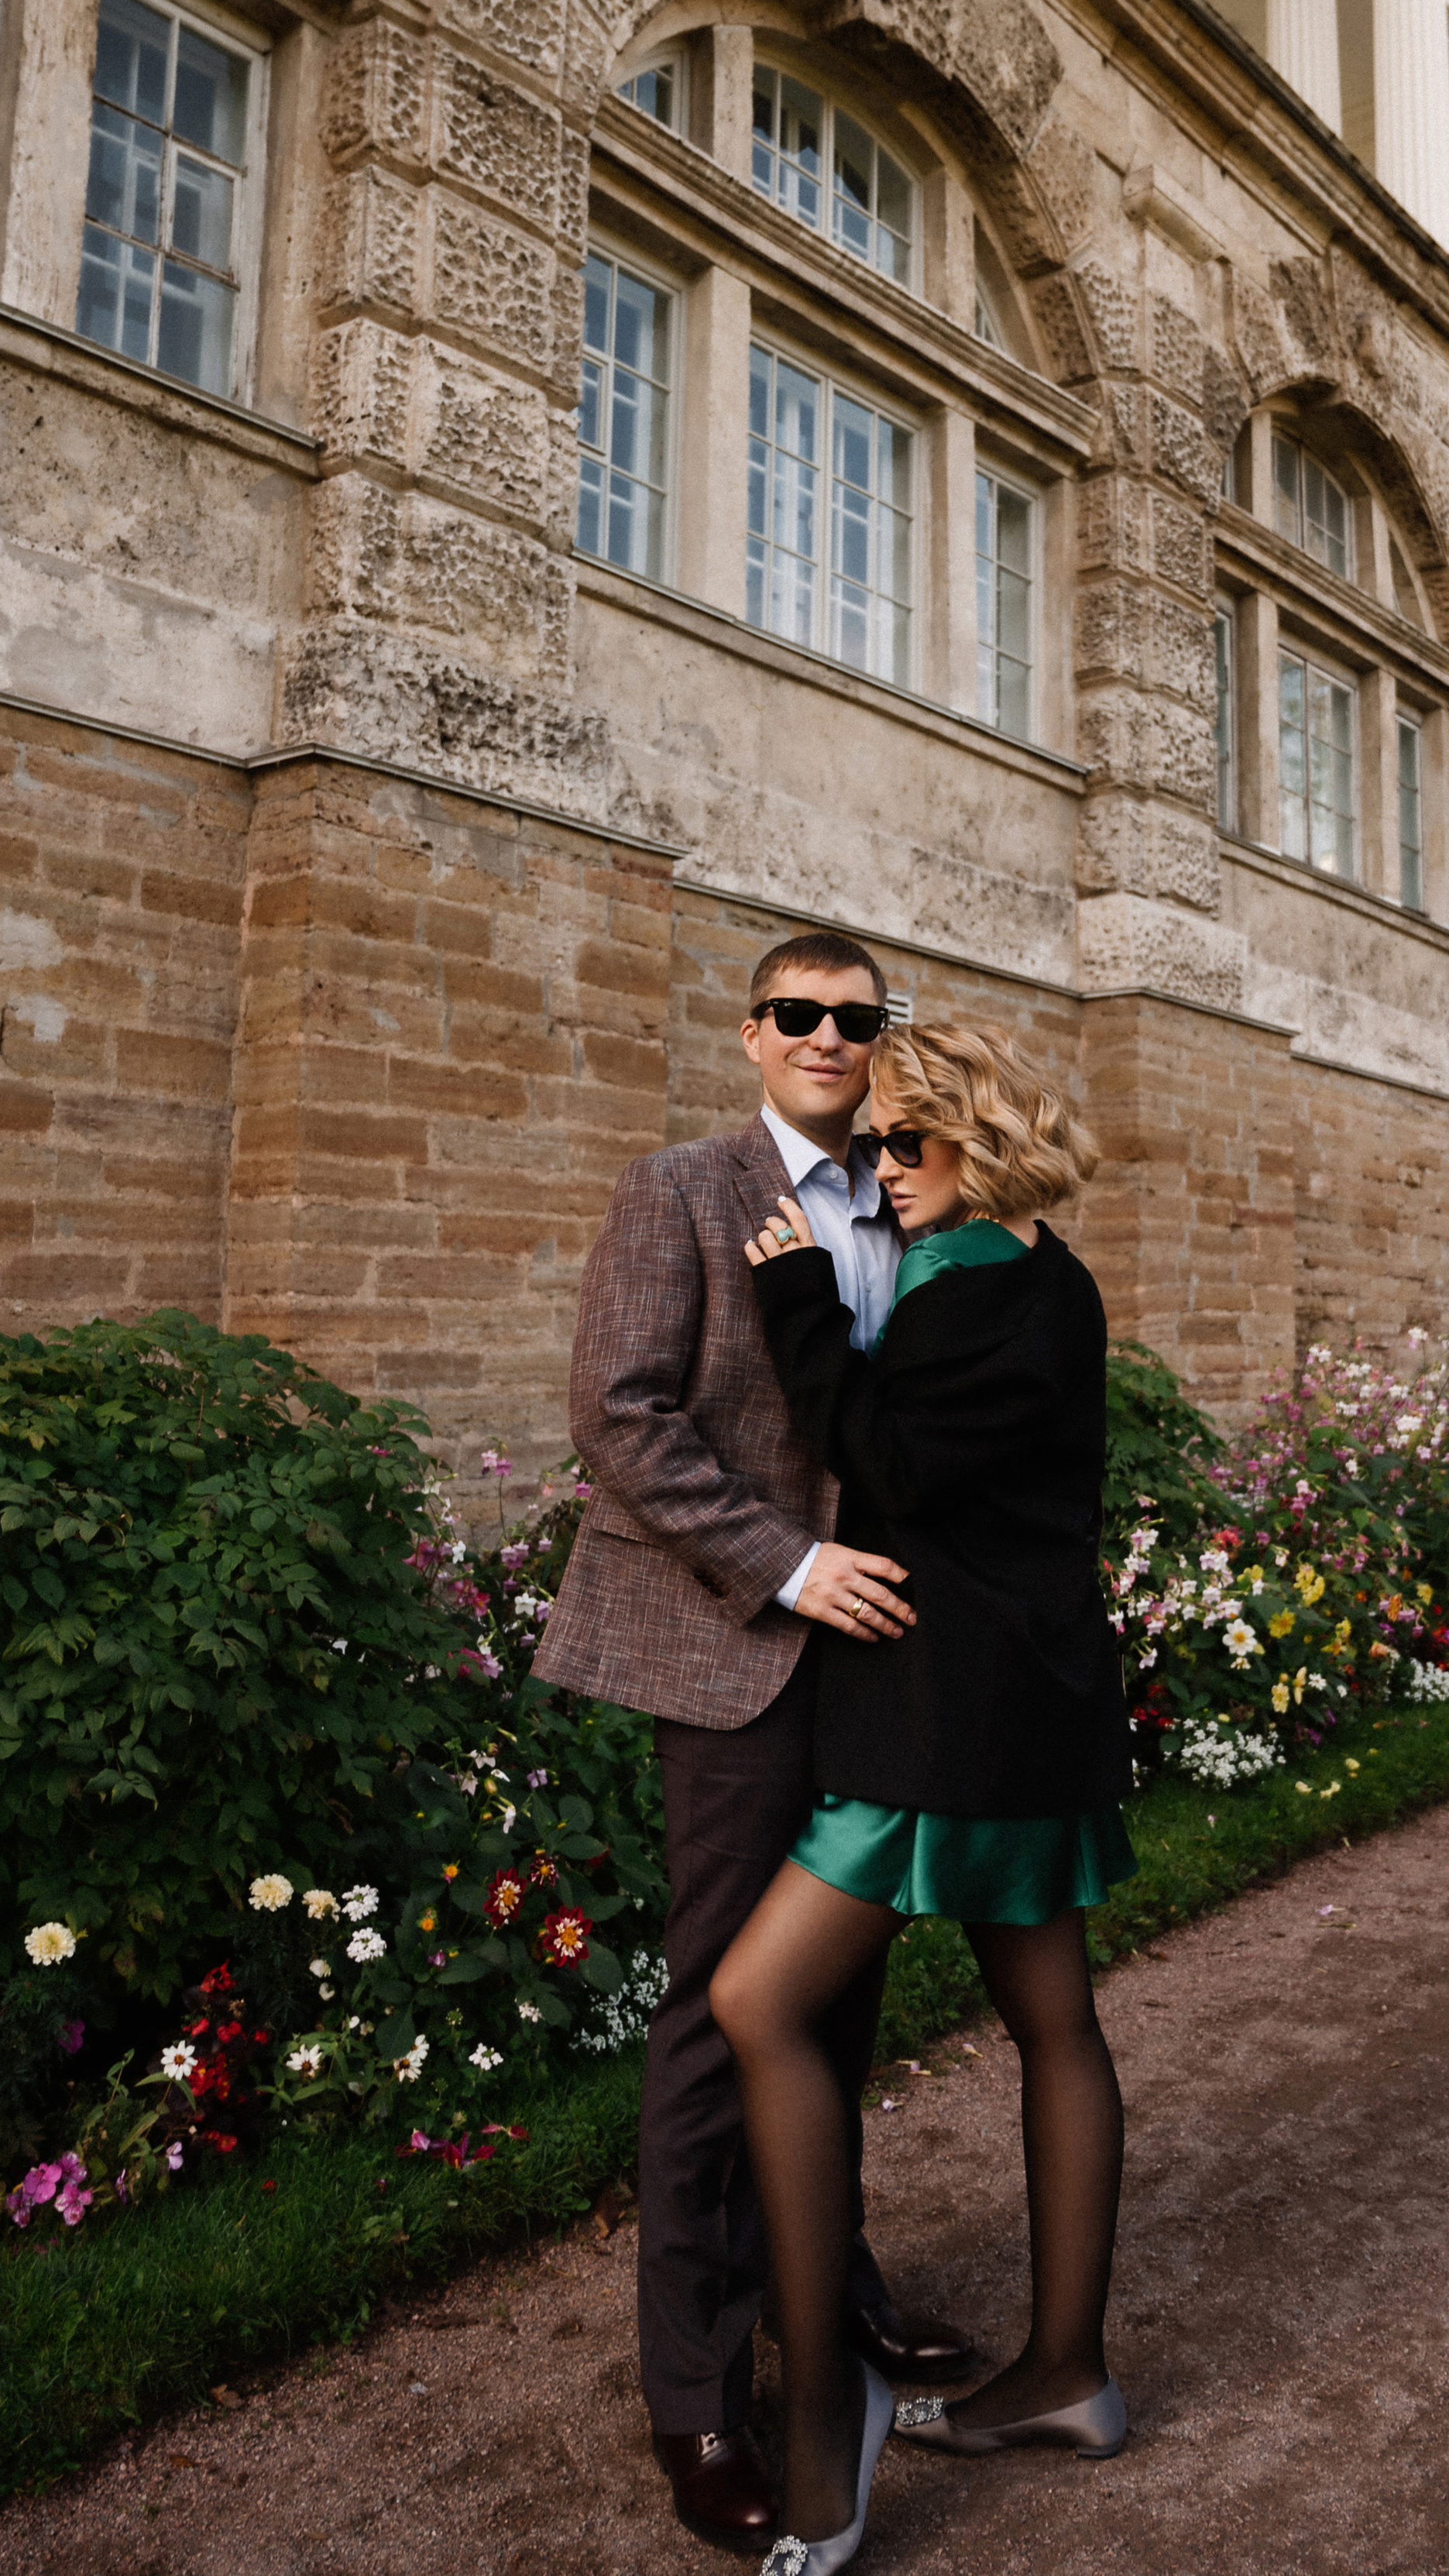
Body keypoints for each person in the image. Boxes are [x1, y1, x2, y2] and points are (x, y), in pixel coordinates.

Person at [534, 930, 974, 2555]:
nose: (826, 1037)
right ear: (750, 1032)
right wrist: (789, 1564)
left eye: (856, 1019)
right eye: (797, 1013)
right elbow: (619, 1412)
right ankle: (695, 2398)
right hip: (727, 1653)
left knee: (835, 2008)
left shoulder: (910, 1194)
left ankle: (828, 2300)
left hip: (875, 1669)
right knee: (720, 2017)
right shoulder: (677, 1190)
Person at [710, 1019, 1135, 2576]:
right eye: (872, 1144)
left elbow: (881, 1456)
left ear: (981, 1140)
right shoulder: (1041, 1273)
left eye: (906, 1141)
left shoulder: (985, 1293)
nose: (876, 1166)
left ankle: (830, 2405)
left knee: (759, 2003)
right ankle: (1066, 2377)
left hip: (952, 1722)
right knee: (1053, 2022)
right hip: (1021, 1700)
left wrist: (793, 1295)